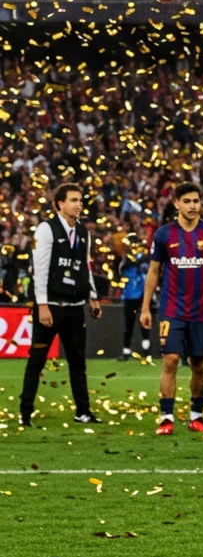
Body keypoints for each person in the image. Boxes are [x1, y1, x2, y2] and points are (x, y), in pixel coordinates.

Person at [140, 183, 203, 435]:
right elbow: (154, 271)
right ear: (176, 204)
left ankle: (196, 416)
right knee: (170, 360)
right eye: (187, 201)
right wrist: (146, 307)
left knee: (199, 363)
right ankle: (166, 417)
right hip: (171, 309)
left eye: (196, 201)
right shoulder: (163, 235)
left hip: (201, 310)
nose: (192, 206)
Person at [20, 183, 103, 427]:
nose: (79, 204)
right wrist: (42, 305)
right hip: (52, 306)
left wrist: (93, 297)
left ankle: (83, 412)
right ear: (59, 204)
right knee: (37, 360)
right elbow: (40, 270)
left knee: (78, 362)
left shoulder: (83, 231)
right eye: (74, 200)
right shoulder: (46, 229)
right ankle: (25, 413)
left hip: (75, 307)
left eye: (81, 200)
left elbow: (85, 266)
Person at [117, 232, 150, 360]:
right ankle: (126, 352)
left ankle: (146, 352)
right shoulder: (126, 260)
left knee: (144, 326)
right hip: (130, 295)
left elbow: (147, 270)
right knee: (128, 326)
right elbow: (120, 272)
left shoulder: (144, 258)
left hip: (141, 295)